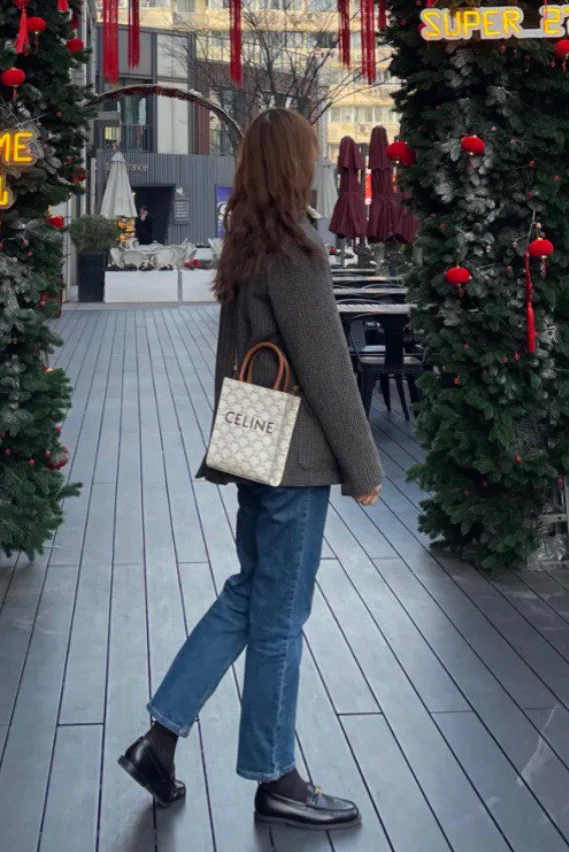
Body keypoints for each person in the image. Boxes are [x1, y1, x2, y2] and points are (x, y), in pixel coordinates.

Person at [119, 108, 382, 830]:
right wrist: (363, 466)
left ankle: (159, 739)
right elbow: (327, 366)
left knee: (249, 594)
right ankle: (276, 778)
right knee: (280, 616)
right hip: (294, 462)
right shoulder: (296, 253)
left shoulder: (246, 250)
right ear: (292, 165)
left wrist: (232, 451)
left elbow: (232, 363)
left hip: (258, 450)